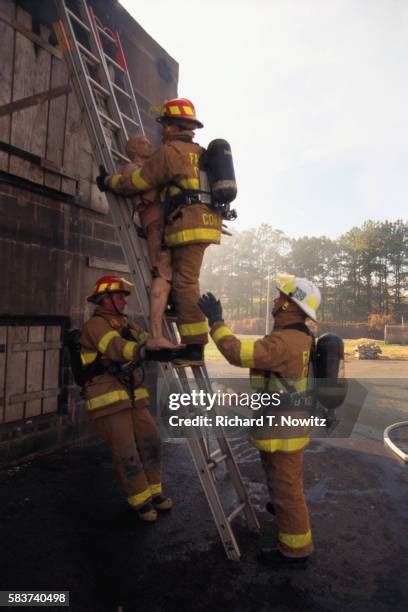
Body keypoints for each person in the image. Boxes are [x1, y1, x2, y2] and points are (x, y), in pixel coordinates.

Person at [198, 274, 321, 567]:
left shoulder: (286, 341)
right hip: (288, 423)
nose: (276, 301)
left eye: (282, 298)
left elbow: (237, 353)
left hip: (282, 428)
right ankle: (285, 517)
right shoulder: (300, 335)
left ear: (292, 307)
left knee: (288, 490)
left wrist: (216, 321)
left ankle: (295, 550)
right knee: (284, 484)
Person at [97, 98, 223, 366]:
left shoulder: (169, 153)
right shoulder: (199, 152)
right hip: (204, 221)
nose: (161, 131)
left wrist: (108, 181)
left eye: (165, 124)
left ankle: (194, 348)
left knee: (185, 282)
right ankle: (187, 325)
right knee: (181, 279)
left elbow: (138, 182)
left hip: (187, 225)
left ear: (172, 126)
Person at [80, 274, 173, 521]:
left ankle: (155, 491)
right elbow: (116, 347)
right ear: (106, 299)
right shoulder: (95, 325)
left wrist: (168, 347)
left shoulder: (126, 323)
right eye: (120, 295)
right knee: (126, 450)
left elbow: (146, 338)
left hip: (132, 395)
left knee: (151, 439)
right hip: (108, 398)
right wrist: (142, 350)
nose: (124, 300)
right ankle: (139, 500)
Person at [121, 134, 178, 351]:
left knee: (173, 275)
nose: (151, 146)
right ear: (134, 150)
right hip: (156, 227)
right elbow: (142, 190)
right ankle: (155, 335)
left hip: (169, 226)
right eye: (145, 144)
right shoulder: (130, 168)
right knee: (162, 274)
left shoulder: (151, 169)